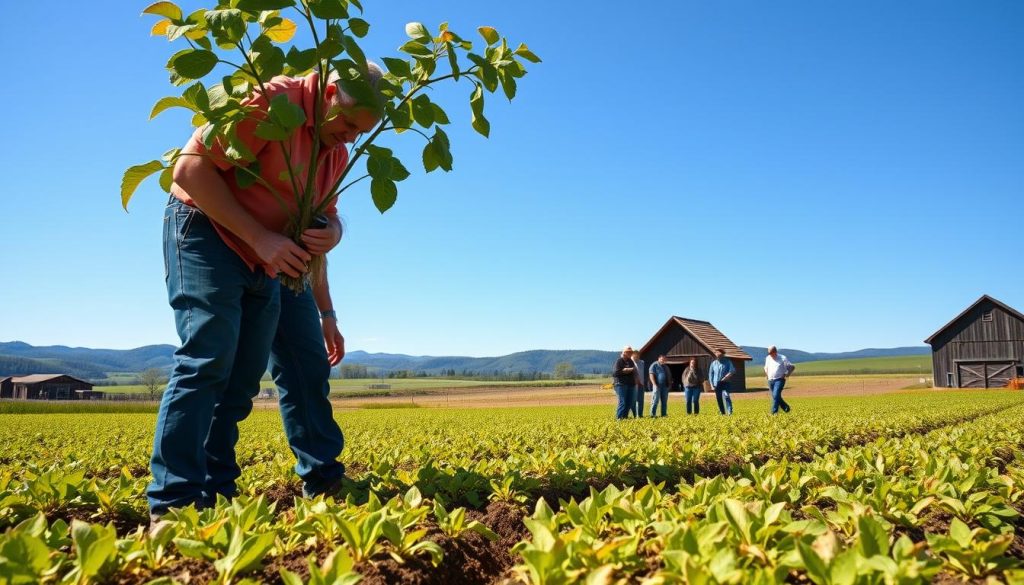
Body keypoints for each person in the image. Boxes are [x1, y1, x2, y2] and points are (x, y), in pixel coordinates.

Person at [148, 66, 382, 521]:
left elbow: (314, 230)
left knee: (241, 381)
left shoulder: (332, 153)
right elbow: (190, 170)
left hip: (268, 256)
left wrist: (332, 235)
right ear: (331, 92)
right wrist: (260, 239)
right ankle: (174, 503)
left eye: (362, 132)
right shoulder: (272, 101)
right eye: (350, 125)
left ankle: (217, 493)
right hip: (206, 230)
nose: (351, 139)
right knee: (208, 356)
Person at [764, 345, 794, 414]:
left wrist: (786, 375)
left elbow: (791, 367)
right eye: (769, 353)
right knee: (775, 396)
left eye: (771, 353)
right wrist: (767, 376)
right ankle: (786, 407)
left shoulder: (783, 358)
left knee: (775, 395)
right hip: (770, 380)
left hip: (779, 380)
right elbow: (765, 367)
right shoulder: (768, 358)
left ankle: (774, 412)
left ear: (775, 352)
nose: (770, 354)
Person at [708, 348, 736, 415]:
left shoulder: (728, 362)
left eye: (719, 353)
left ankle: (729, 411)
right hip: (716, 383)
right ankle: (722, 412)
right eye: (716, 353)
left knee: (726, 396)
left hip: (725, 382)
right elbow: (710, 374)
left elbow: (732, 371)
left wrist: (725, 377)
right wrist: (711, 385)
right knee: (719, 398)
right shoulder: (713, 363)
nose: (717, 355)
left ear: (723, 354)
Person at [612, 346, 637, 420]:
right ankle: (619, 418)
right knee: (622, 402)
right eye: (628, 352)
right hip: (621, 384)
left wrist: (628, 370)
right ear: (624, 353)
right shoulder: (619, 361)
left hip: (630, 384)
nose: (630, 353)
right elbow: (615, 373)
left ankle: (625, 417)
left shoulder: (630, 361)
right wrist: (626, 370)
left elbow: (634, 371)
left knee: (629, 402)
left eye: (630, 352)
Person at [631, 350, 647, 417]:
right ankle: (635, 415)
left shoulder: (642, 362)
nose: (637, 356)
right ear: (632, 355)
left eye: (638, 355)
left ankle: (640, 415)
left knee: (641, 400)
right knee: (633, 400)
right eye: (635, 355)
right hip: (633, 384)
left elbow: (644, 372)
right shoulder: (630, 362)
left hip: (641, 384)